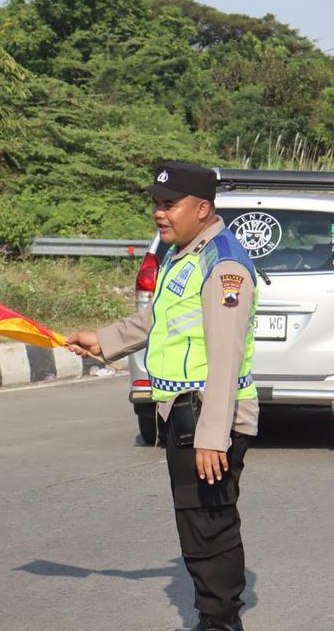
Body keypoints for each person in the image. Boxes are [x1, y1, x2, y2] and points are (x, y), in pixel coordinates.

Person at [65, 161, 258, 631]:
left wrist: (212, 436)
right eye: (156, 203)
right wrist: (104, 340)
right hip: (183, 412)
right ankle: (214, 618)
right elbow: (157, 321)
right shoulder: (184, 254)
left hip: (208, 418)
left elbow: (226, 356)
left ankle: (220, 624)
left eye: (169, 204)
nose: (159, 212)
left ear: (202, 208)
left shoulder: (223, 264)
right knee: (197, 524)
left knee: (208, 527)